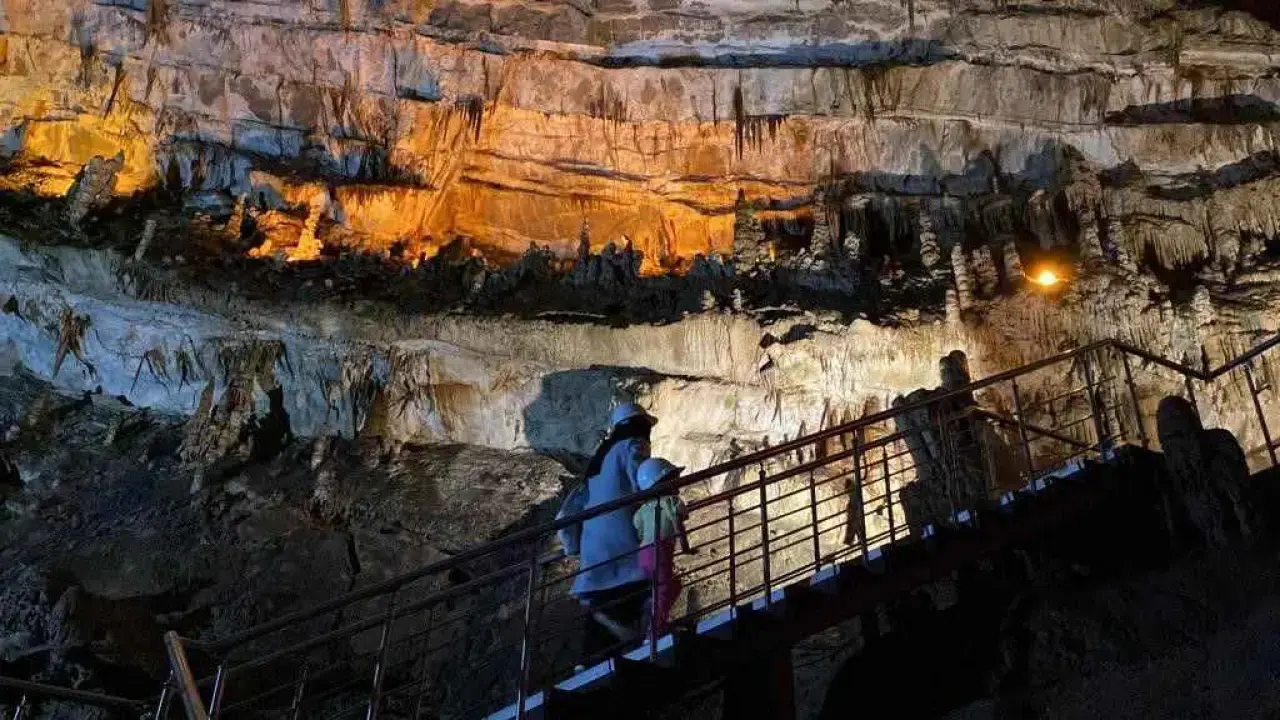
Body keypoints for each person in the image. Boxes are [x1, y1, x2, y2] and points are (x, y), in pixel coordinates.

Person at [571, 402, 657, 659]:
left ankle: (589, 660)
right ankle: (637, 643)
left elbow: (571, 507)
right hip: (619, 537)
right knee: (634, 586)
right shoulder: (632, 446)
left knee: (604, 596)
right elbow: (641, 481)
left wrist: (572, 545)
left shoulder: (600, 458)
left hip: (593, 544)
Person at [633, 457, 688, 639]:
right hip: (660, 551)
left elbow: (638, 526)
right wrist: (686, 548)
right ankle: (654, 634)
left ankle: (650, 612)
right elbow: (680, 522)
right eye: (674, 478)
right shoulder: (672, 502)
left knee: (671, 586)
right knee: (664, 591)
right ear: (663, 483)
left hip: (644, 555)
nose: (678, 481)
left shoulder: (644, 509)